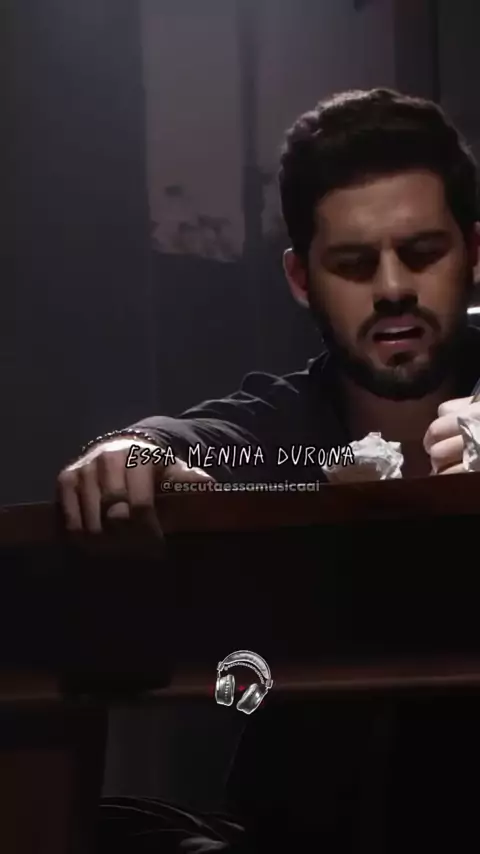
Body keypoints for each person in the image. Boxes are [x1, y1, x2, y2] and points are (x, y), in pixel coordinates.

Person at [58, 89, 480, 852]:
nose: (392, 288)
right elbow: (189, 440)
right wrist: (129, 452)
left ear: (474, 252)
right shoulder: (288, 422)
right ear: (301, 279)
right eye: (353, 263)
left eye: (422, 252)